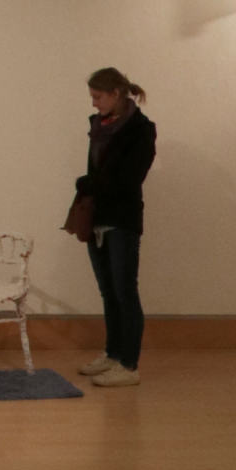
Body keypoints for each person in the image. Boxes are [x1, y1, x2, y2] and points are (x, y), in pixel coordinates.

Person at [74, 68, 156, 387]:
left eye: (98, 97)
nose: (94, 103)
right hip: (96, 217)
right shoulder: (99, 125)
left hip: (122, 220)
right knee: (108, 291)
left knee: (125, 291)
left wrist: (89, 183)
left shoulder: (141, 129)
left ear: (116, 94)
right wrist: (90, 187)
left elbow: (130, 177)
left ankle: (129, 365)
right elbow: (100, 173)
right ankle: (112, 354)